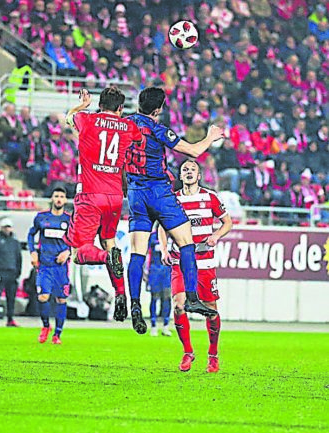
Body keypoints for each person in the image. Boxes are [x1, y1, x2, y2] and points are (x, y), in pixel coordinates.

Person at [125, 87, 223, 334]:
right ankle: (191, 296)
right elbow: (194, 151)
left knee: (137, 252)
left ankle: (134, 304)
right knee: (186, 242)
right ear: (157, 109)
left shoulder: (124, 124)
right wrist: (211, 136)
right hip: (159, 192)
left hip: (135, 193)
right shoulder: (158, 129)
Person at [64, 87, 140, 324]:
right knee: (109, 241)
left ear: (99, 105)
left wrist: (80, 106)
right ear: (120, 108)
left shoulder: (87, 119)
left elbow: (68, 118)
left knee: (79, 254)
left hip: (90, 195)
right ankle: (120, 294)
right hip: (116, 196)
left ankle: (107, 258)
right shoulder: (128, 126)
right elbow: (139, 139)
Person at [159, 160, 233, 373]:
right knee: (179, 305)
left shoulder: (210, 197)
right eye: (185, 170)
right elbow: (162, 227)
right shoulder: (172, 200)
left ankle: (213, 354)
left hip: (205, 262)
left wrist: (216, 236)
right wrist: (164, 250)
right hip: (179, 261)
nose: (189, 172)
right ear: (181, 176)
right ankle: (188, 351)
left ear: (199, 175)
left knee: (211, 309)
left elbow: (227, 222)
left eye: (192, 169)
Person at [28, 187, 71, 344]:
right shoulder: (41, 217)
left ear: (65, 200)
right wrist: (33, 251)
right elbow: (31, 234)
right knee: (43, 297)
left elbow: (77, 240)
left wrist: (68, 252)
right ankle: (46, 326)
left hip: (61, 268)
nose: (59, 199)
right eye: (56, 196)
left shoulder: (69, 220)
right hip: (45, 265)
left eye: (61, 196)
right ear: (52, 198)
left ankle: (57, 334)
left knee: (61, 299)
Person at [0, 218, 22, 327]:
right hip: (1, 271)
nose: (7, 229)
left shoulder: (15, 241)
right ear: (2, 228)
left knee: (11, 297)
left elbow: (18, 258)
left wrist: (18, 273)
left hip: (12, 272)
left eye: (9, 227)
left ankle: (10, 318)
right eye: (6, 227)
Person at [144, 230, 171, 337]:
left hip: (167, 271)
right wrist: (145, 271)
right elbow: (146, 254)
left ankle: (166, 325)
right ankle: (153, 326)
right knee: (154, 297)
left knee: (167, 298)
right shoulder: (152, 236)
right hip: (154, 270)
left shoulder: (173, 236)